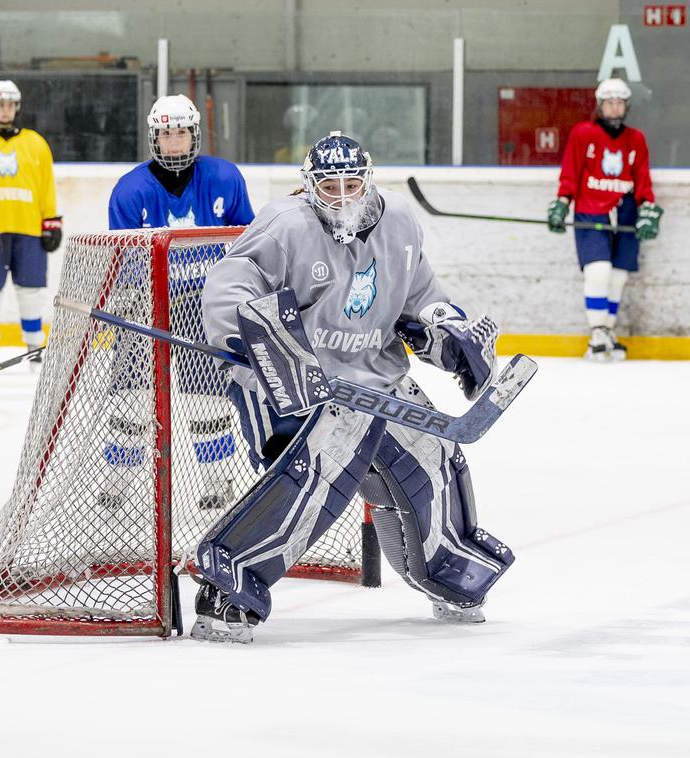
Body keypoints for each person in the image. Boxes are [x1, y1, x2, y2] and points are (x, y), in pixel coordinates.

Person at [192, 132, 514, 643]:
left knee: (436, 456)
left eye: (351, 184)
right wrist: (245, 329)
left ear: (368, 179)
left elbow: (424, 297)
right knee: (320, 470)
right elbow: (234, 279)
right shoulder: (285, 224)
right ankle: (227, 583)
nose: (342, 196)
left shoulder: (401, 225)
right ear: (309, 186)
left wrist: (449, 337)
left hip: (372, 379)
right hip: (292, 381)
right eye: (330, 186)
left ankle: (449, 569)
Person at [103, 94, 254, 510]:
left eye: (181, 133)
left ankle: (215, 483)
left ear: (194, 136)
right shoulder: (131, 189)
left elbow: (249, 242)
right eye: (166, 134)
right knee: (131, 402)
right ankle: (116, 486)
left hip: (205, 307)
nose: (174, 142)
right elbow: (125, 255)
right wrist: (132, 298)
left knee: (208, 401)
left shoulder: (224, 178)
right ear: (154, 138)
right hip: (151, 306)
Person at [548, 77, 663, 362]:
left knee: (618, 277)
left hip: (625, 213)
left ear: (626, 106)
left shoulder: (636, 139)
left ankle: (608, 331)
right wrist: (562, 203)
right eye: (609, 103)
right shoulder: (583, 133)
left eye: (619, 102)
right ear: (600, 106)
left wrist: (648, 209)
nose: (614, 108)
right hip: (591, 210)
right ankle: (597, 330)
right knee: (597, 270)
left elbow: (643, 180)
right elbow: (571, 174)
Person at [0, 80, 60, 367]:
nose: (4, 110)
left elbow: (46, 185)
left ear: (16, 107)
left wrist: (51, 220)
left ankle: (33, 345)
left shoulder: (35, 143)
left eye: (9, 105)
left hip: (28, 228)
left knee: (30, 290)